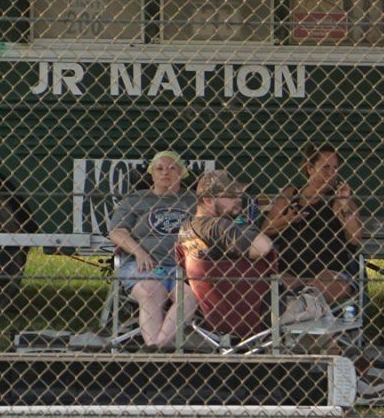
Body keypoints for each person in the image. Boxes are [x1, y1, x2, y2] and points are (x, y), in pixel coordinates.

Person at [174, 169, 275, 346]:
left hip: (213, 315)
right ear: (208, 200)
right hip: (258, 313)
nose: (238, 199)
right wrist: (247, 229)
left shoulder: (186, 228)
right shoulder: (219, 226)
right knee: (317, 301)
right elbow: (264, 247)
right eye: (230, 195)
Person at [107, 150, 194, 348]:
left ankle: (155, 347)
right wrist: (139, 252)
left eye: (172, 168)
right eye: (159, 168)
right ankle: (158, 347)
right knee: (151, 290)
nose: (166, 173)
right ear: (151, 173)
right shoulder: (136, 200)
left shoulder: (192, 201)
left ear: (181, 173)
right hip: (143, 264)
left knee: (187, 297)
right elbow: (117, 232)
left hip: (183, 268)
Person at [263, 143, 364, 305]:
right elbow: (266, 229)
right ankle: (303, 307)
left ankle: (301, 307)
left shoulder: (339, 199)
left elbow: (355, 238)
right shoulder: (290, 195)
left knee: (321, 287)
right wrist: (288, 219)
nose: (332, 173)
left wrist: (344, 206)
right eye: (325, 167)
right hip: (292, 270)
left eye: (335, 168)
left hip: (329, 272)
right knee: (276, 283)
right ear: (310, 169)